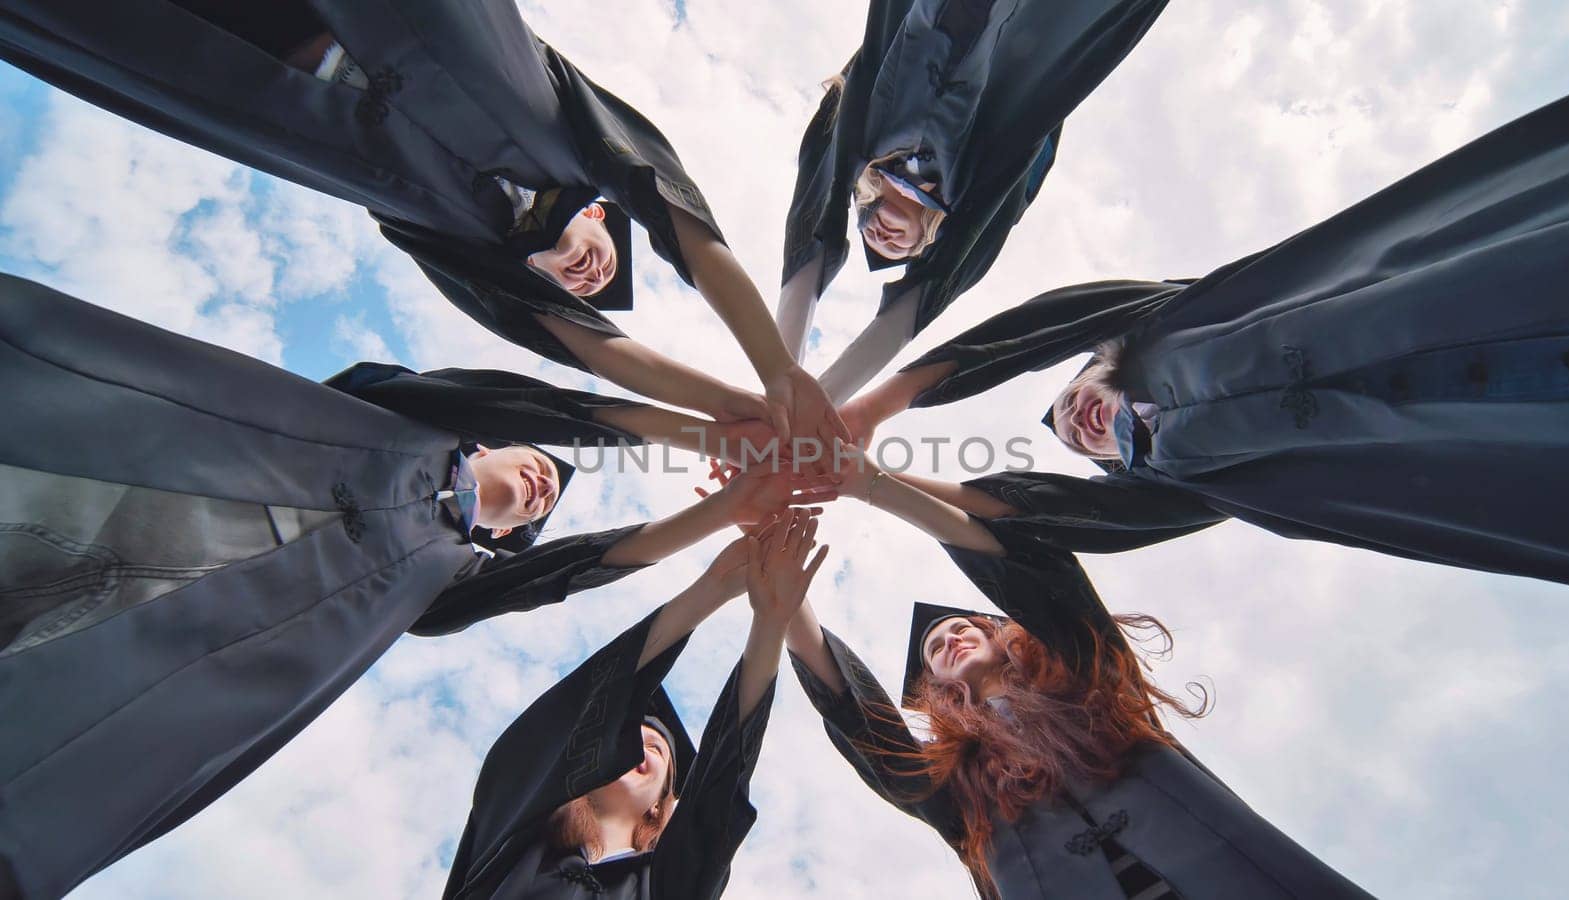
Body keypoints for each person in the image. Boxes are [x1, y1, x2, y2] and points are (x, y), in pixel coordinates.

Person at [0, 274, 830, 899]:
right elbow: (530, 407)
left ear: (500, 546)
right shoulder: (400, 422)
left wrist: (730, 564)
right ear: (492, 438)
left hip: (163, 648)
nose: (541, 482)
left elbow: (563, 580)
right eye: (532, 460)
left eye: (533, 510)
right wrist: (710, 448)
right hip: (133, 483)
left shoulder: (434, 584)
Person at [837, 81, 1569, 591]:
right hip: (1519, 441)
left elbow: (1048, 322)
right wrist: (868, 481)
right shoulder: (1186, 484)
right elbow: (1041, 515)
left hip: (1498, 285)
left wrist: (883, 403)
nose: (1075, 422)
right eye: (1078, 442)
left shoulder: (1173, 319)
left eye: (1069, 402)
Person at [0, 0, 848, 450]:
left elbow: (595, 350)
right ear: (601, 212)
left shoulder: (453, 242)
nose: (591, 272)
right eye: (601, 250)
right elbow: (681, 220)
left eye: (576, 281)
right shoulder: (565, 126)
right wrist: (778, 370)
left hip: (232, 54)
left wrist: (731, 413)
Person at [782, 456, 1375, 899]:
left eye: (964, 628)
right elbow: (859, 721)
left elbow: (1046, 583)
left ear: (1001, 634)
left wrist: (869, 483)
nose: (950, 640)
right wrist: (784, 601)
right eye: (936, 648)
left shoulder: (1088, 683)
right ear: (935, 685)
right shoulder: (955, 786)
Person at [777, 0, 1171, 401]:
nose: (878, 232)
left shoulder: (869, 127)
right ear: (939, 239)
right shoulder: (983, 171)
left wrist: (781, 374)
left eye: (867, 221)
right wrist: (819, 401)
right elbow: (925, 296)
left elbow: (815, 204)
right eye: (905, 248)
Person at [441, 508, 829, 899]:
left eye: (656, 748)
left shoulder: (666, 888)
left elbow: (720, 791)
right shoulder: (510, 836)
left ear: (660, 805)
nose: (638, 746)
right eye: (624, 739)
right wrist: (711, 588)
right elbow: (568, 715)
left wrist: (771, 622)